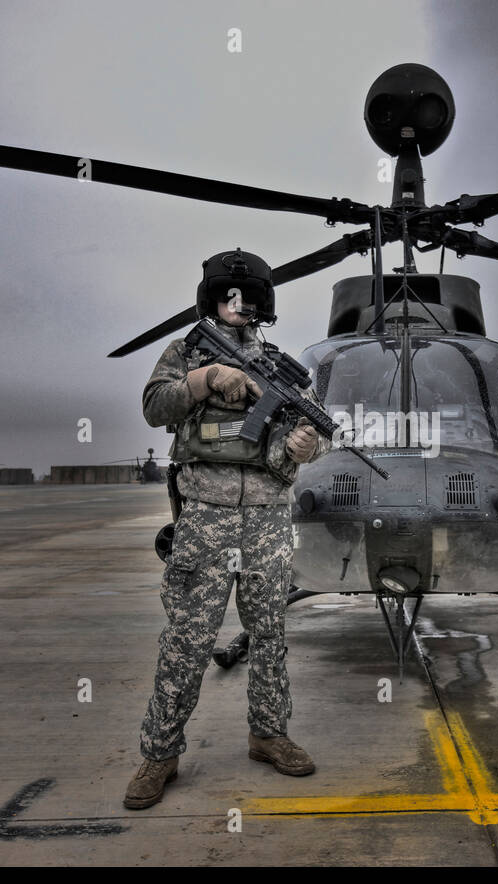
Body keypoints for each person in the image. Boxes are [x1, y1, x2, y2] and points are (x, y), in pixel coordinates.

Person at [125, 248, 330, 810]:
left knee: (270, 637)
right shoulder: (187, 350)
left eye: (248, 298)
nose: (238, 306)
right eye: (227, 297)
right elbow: (153, 407)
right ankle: (159, 754)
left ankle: (269, 735)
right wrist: (204, 379)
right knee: (188, 641)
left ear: (263, 304)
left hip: (266, 520)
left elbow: (315, 430)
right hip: (206, 519)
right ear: (212, 299)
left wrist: (308, 445)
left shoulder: (283, 367)